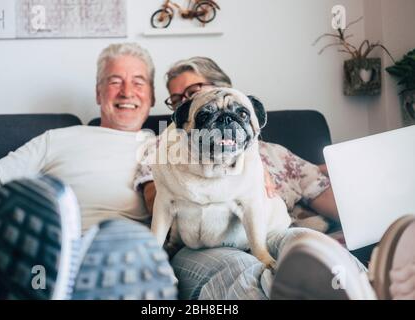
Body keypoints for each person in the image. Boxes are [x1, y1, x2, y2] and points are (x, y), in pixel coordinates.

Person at [134, 56, 415, 300]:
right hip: (201, 246)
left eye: (195, 91)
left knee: (312, 245)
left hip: (275, 230)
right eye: (178, 100)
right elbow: (155, 200)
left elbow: (332, 201)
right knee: (240, 270)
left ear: (227, 88)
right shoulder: (163, 148)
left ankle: (369, 288)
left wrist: (382, 211)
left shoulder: (276, 153)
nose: (188, 101)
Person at [0, 43, 177, 300]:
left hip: (123, 256)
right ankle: (42, 277)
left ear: (152, 97)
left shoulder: (166, 147)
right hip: (50, 246)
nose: (127, 92)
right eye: (115, 81)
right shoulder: (57, 138)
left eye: (139, 82)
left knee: (127, 246)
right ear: (98, 94)